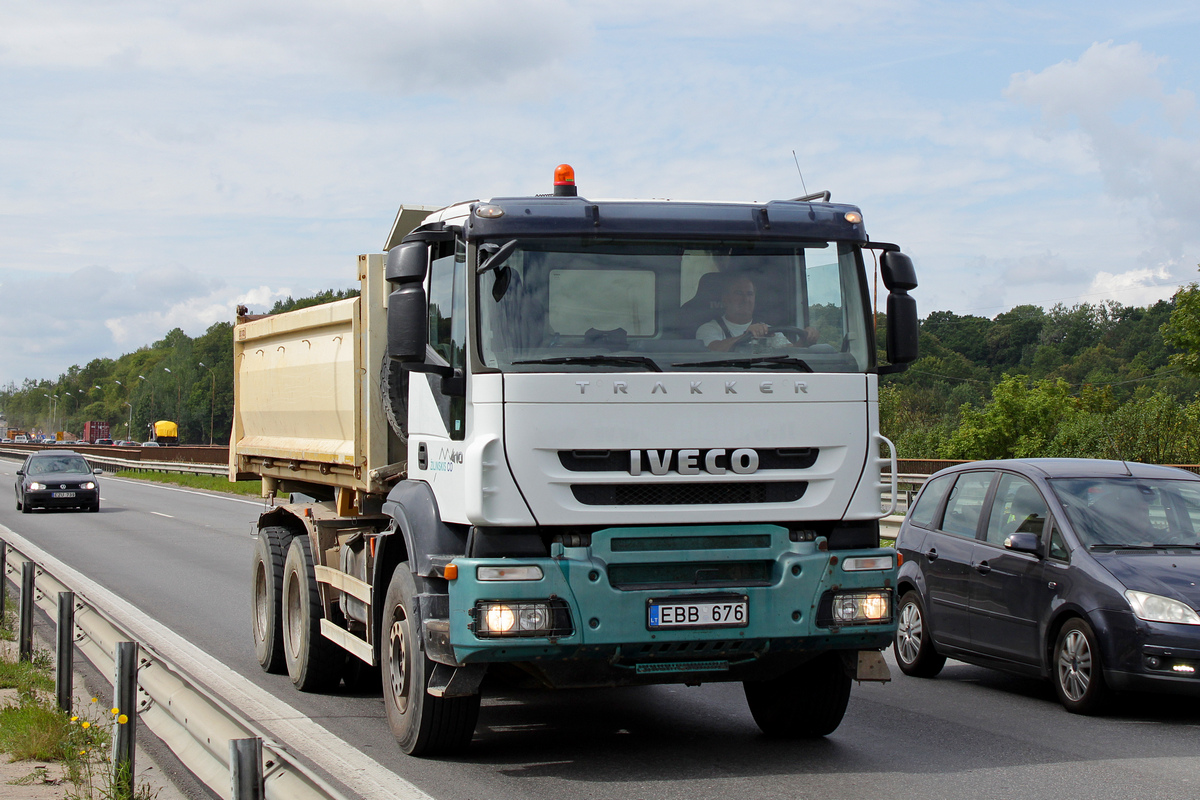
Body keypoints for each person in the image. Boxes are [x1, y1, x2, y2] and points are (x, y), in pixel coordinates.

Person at [695, 274, 814, 352]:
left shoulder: (768, 330)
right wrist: (747, 336)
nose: (745, 299)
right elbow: (713, 350)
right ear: (725, 299)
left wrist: (805, 339)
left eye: (749, 294)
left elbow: (790, 353)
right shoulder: (709, 328)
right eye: (739, 293)